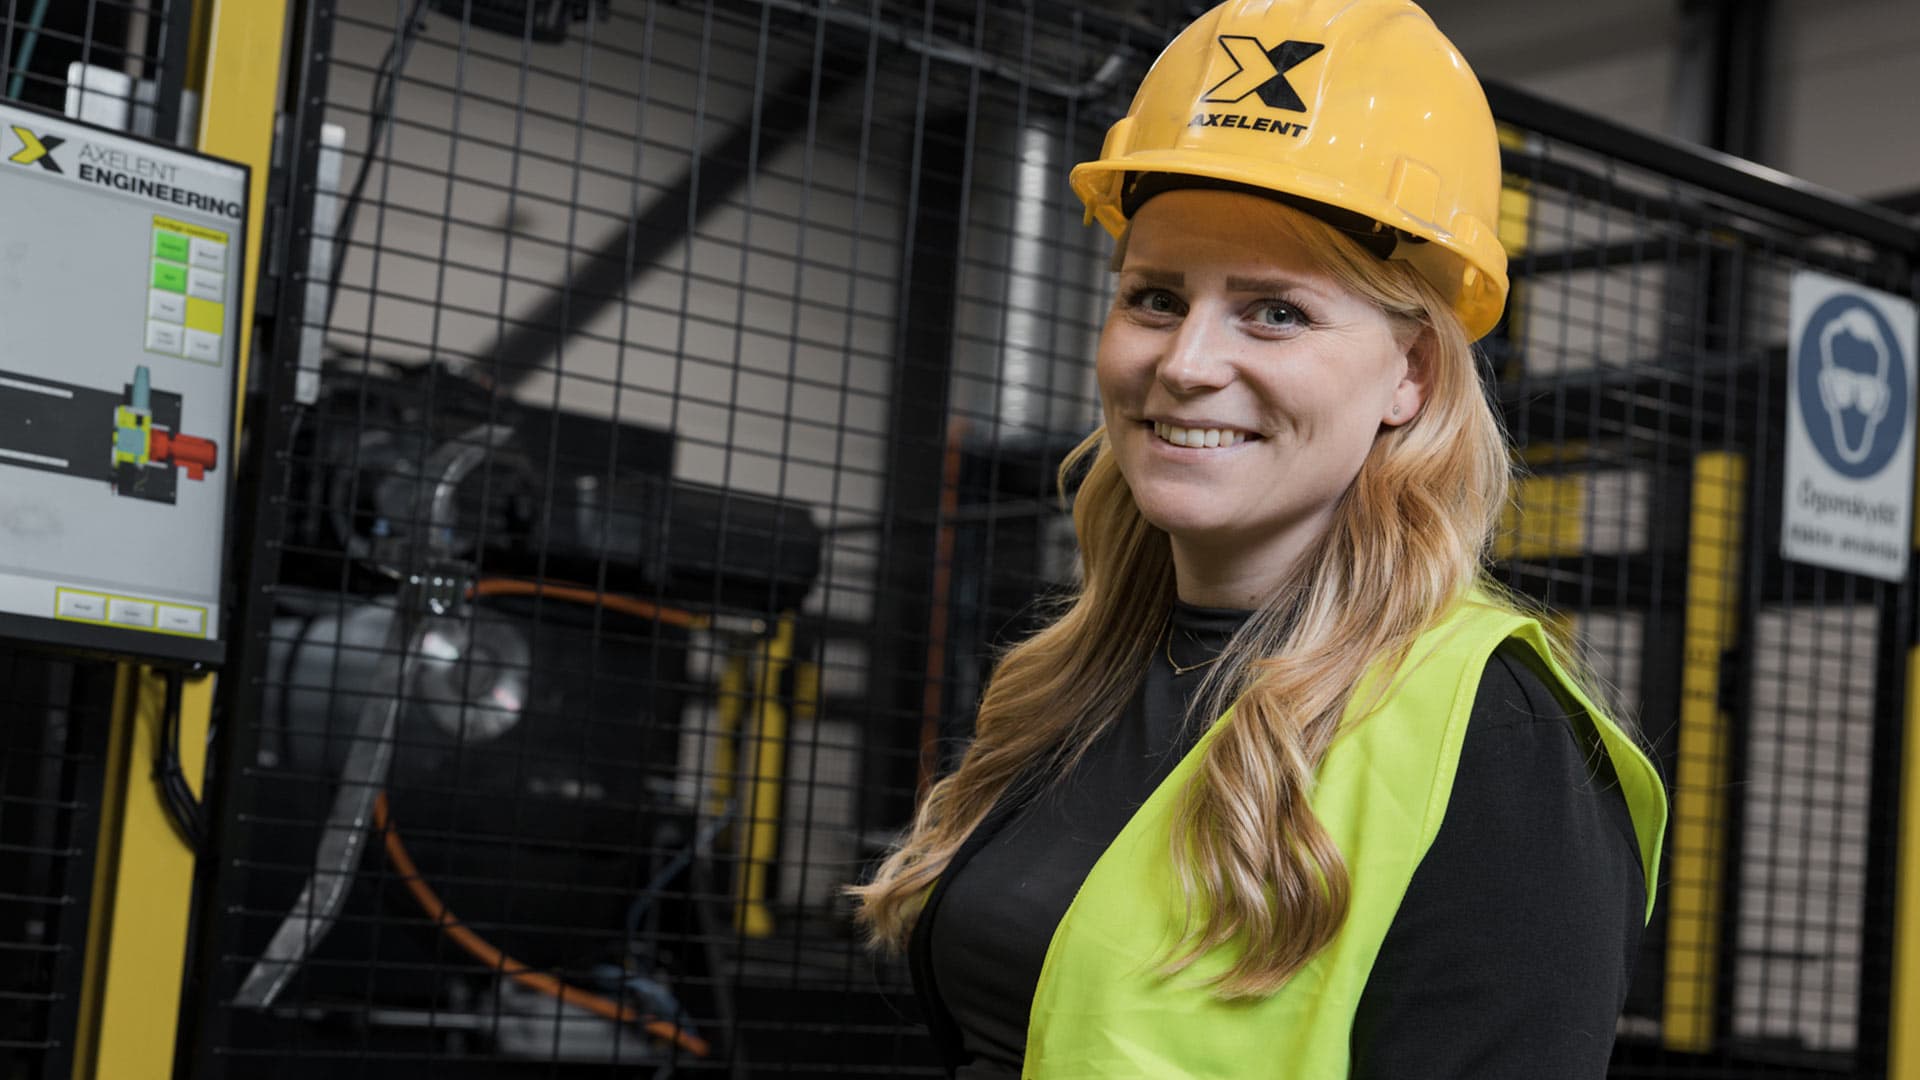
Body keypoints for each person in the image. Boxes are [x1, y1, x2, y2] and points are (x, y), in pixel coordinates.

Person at [851, 0, 1668, 1076]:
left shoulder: (1497, 752)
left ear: (1411, 375)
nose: (1184, 362)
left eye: (1274, 310)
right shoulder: (1076, 678)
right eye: (1153, 297)